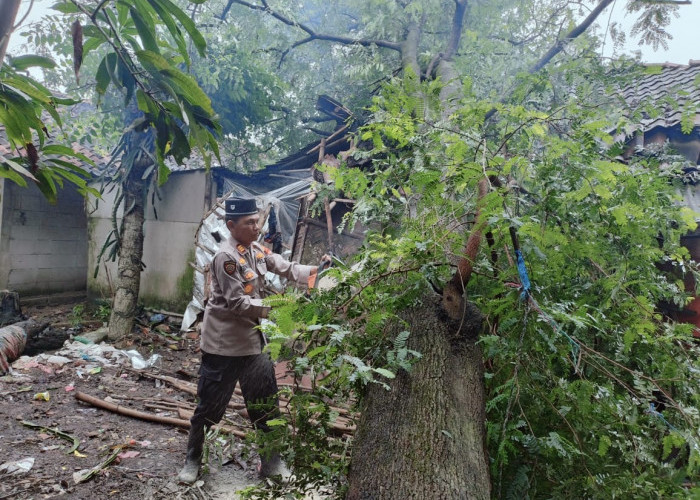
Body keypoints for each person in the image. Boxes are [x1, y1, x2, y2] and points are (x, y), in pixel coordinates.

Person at [178, 197, 329, 484]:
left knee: (266, 405)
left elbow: (284, 266)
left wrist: (317, 273)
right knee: (208, 408)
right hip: (223, 346)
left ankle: (271, 463)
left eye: (257, 221)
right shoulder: (226, 258)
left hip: (251, 343)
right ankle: (193, 458)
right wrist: (282, 307)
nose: (257, 227)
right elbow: (238, 303)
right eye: (250, 223)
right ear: (231, 225)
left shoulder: (255, 249)